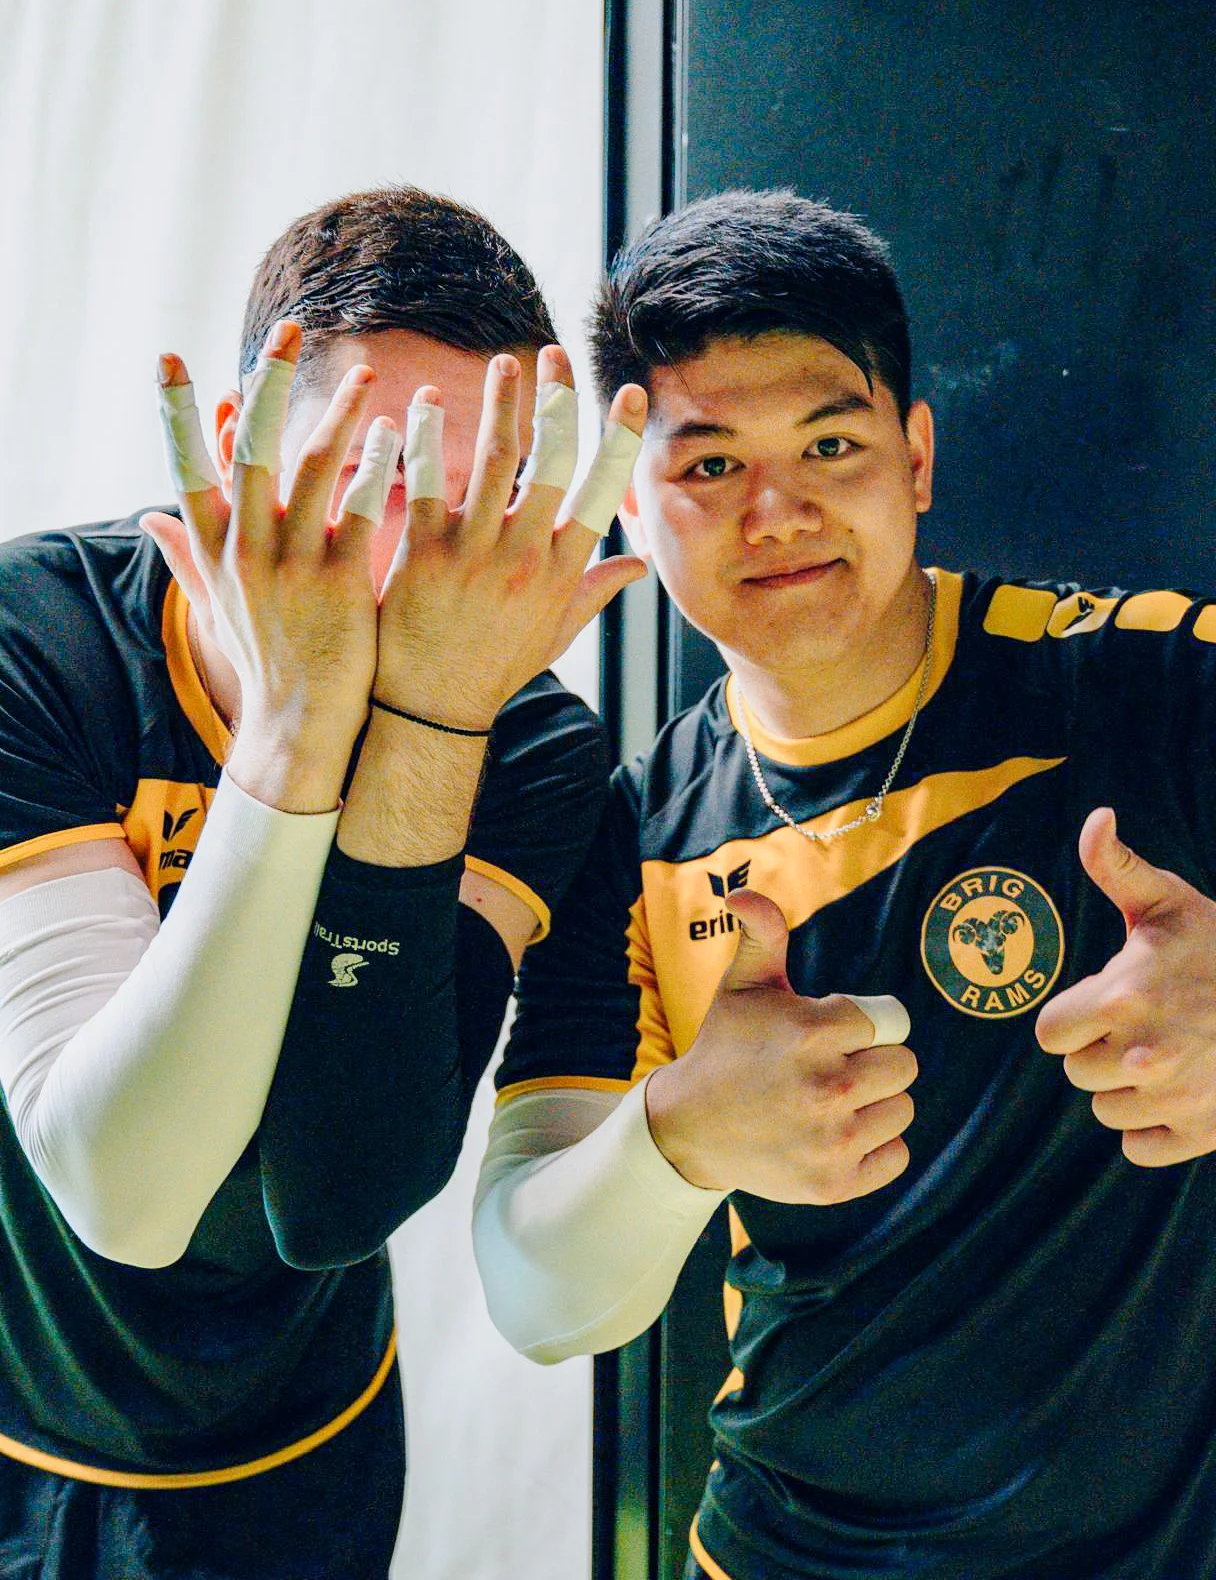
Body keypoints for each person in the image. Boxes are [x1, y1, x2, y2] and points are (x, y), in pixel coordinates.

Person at [474, 188, 1216, 1580]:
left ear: (917, 457)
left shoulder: (1146, 682)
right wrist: (676, 1138)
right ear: (631, 503)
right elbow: (535, 1295)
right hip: (782, 1547)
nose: (779, 511)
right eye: (707, 469)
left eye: (832, 442)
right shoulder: (625, 840)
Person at [0, 184, 645, 1579]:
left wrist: (428, 735)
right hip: (20, 1420)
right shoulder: (37, 639)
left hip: (306, 1451)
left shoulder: (529, 747)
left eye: (476, 497)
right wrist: (293, 735)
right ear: (237, 448)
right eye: (372, 469)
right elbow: (121, 1189)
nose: (420, 554)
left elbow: (336, 1198)